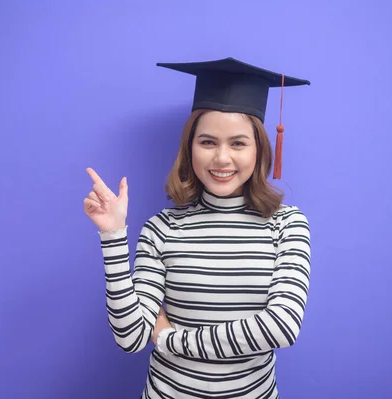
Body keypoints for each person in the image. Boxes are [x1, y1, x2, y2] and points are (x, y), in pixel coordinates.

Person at [83, 57, 312, 398]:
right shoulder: (162, 229)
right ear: (190, 149)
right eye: (207, 142)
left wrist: (168, 340)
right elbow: (131, 339)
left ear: (259, 150)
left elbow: (281, 327)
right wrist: (113, 236)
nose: (221, 158)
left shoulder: (287, 224)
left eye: (238, 143)